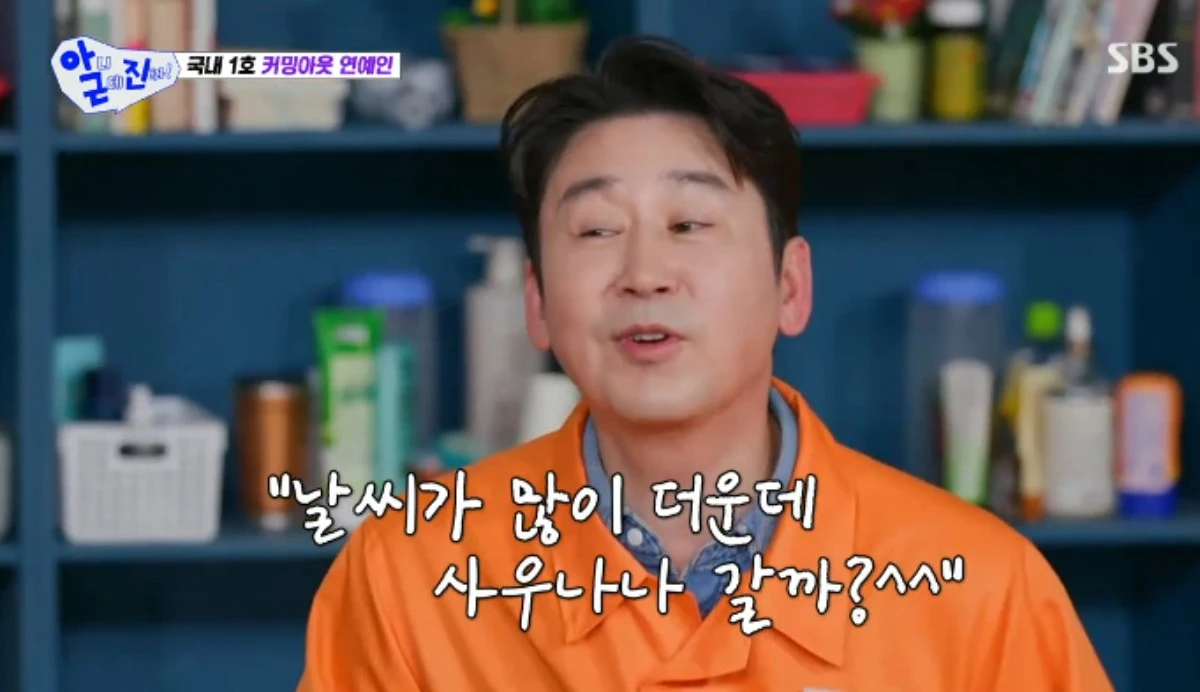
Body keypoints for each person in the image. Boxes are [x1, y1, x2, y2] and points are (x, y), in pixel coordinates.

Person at [298, 36, 1112, 691]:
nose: (645, 273)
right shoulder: (410, 574)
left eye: (689, 224)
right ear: (537, 304)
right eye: (596, 231)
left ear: (790, 287)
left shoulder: (980, 586)